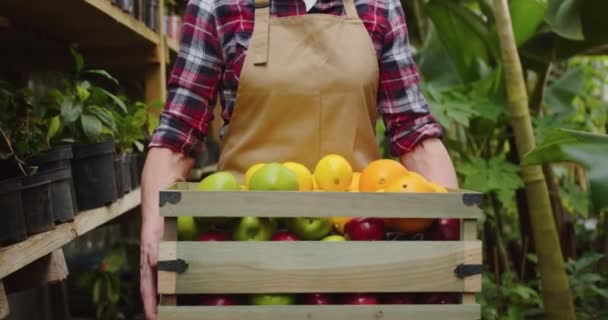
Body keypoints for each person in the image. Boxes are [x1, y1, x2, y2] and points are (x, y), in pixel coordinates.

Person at [139, 0, 458, 318]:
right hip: (242, 256)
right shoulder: (216, 6)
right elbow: (177, 136)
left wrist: (450, 234)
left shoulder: (379, 7)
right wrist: (152, 231)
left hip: (354, 252)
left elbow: (414, 134)